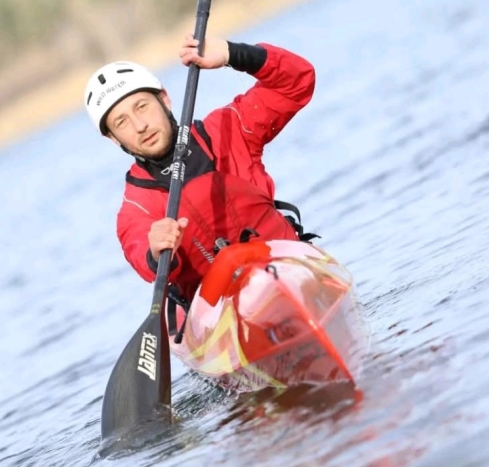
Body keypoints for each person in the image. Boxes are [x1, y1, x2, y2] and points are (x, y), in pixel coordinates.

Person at [83, 32, 317, 308]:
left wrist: (234, 54)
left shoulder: (228, 131)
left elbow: (297, 81)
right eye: (121, 122)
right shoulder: (136, 209)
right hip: (223, 311)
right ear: (113, 138)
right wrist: (156, 252)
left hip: (288, 268)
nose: (139, 125)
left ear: (164, 99)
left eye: (142, 107)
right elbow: (143, 257)